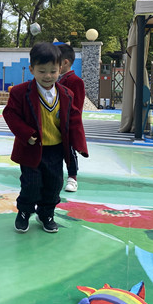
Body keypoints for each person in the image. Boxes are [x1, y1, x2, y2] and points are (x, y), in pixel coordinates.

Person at [3, 42, 88, 234]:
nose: (48, 76)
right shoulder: (20, 92)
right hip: (31, 148)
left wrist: (79, 144)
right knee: (31, 184)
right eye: (42, 71)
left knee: (54, 184)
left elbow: (74, 119)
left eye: (53, 71)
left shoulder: (66, 94)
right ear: (32, 69)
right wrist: (26, 134)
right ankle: (24, 212)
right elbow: (10, 114)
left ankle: (46, 214)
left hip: (55, 149)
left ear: (61, 69)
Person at [57, 43, 85, 193]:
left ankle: (72, 178)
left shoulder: (75, 81)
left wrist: (71, 123)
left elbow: (77, 107)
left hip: (67, 123)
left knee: (69, 151)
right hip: (53, 122)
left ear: (65, 62)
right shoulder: (55, 79)